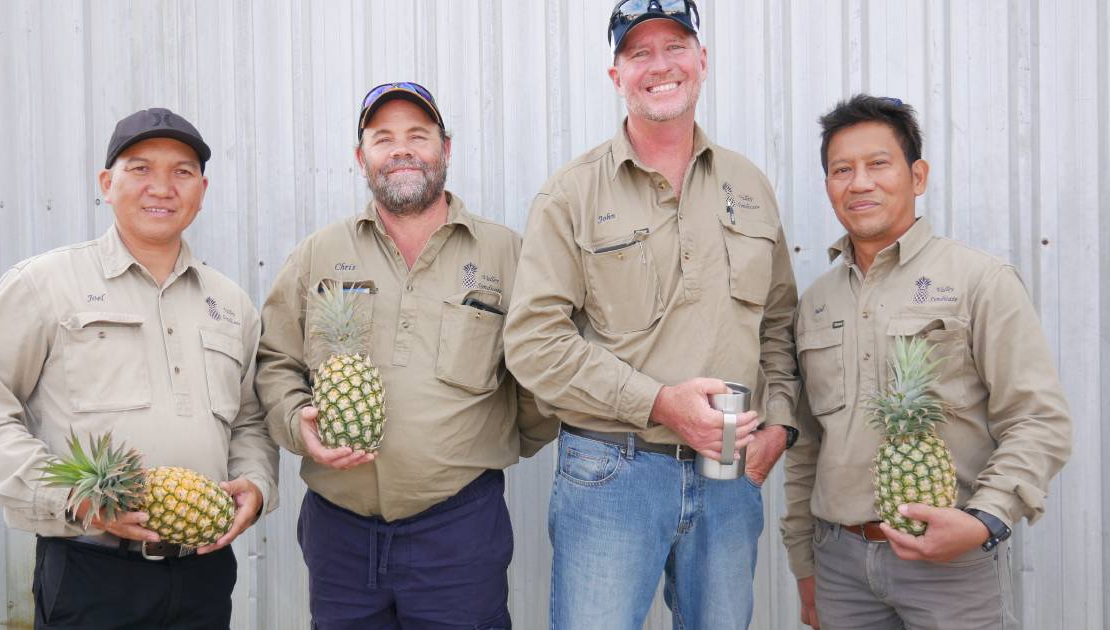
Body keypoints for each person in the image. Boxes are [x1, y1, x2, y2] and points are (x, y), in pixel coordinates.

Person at [502, 1, 800, 627]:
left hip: (729, 476)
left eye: (675, 47)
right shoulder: (571, 194)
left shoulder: (748, 184)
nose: (659, 66)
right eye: (639, 53)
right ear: (617, 76)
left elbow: (778, 321)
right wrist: (662, 403)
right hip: (613, 471)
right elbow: (533, 342)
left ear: (702, 61)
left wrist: (779, 424)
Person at [0, 107, 279, 629]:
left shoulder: (231, 303)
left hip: (205, 574)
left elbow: (251, 421)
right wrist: (74, 500)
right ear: (107, 182)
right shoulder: (45, 284)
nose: (162, 187)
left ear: (202, 189)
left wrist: (254, 486)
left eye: (182, 171)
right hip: (90, 573)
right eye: (140, 168)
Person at [256, 81, 556, 630]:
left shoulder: (506, 253)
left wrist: (487, 447)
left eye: (418, 135)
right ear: (360, 156)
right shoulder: (319, 254)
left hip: (459, 530)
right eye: (382, 137)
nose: (401, 150)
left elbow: (540, 377)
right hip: (338, 533)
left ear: (446, 148)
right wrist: (298, 422)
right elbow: (275, 360)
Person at [782, 94, 1073, 630]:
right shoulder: (816, 303)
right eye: (841, 169)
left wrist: (985, 519)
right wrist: (805, 563)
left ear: (917, 176)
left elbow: (1038, 419)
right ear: (828, 186)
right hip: (841, 564)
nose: (859, 182)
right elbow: (806, 446)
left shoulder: (979, 280)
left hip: (951, 563)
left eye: (878, 164)